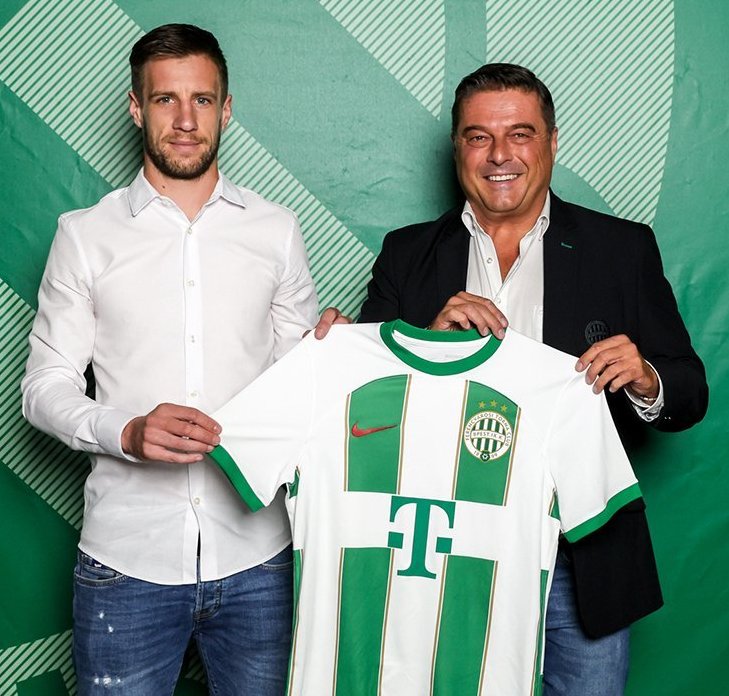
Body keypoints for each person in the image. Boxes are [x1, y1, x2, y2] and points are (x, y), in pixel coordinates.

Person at [357, 63, 708, 694]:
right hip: (447, 554)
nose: (500, 155)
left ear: (551, 142)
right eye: (479, 137)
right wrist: (424, 344)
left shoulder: (621, 248)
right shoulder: (407, 255)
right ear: (457, 148)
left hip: (582, 553)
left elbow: (690, 391)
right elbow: (363, 414)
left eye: (520, 134)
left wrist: (646, 378)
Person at [21, 23, 340, 696]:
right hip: (125, 562)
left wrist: (333, 354)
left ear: (227, 110)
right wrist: (126, 431)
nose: (186, 120)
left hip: (260, 559)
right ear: (136, 108)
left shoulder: (275, 231)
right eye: (166, 99)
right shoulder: (85, 236)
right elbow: (44, 388)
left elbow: (302, 386)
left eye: (202, 99)